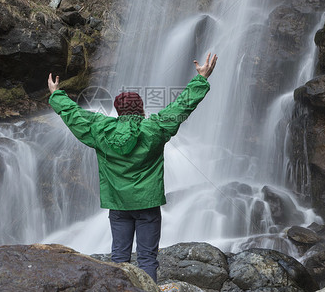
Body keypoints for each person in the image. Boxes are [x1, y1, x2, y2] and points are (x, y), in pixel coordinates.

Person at [47, 53, 218, 282]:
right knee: (147, 258)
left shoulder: (101, 129)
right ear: (142, 109)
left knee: (119, 257)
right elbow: (181, 107)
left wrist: (57, 94)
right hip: (147, 204)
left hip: (118, 205)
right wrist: (201, 79)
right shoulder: (155, 128)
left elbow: (74, 116)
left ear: (118, 111)